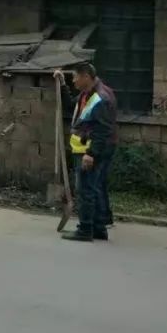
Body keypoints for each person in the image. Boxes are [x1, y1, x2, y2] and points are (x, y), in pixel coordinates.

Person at [53, 62, 117, 242]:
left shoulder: (100, 98)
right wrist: (62, 84)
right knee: (94, 189)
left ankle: (85, 230)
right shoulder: (87, 94)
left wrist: (91, 154)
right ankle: (98, 229)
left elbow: (103, 130)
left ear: (86, 77)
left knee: (86, 190)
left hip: (91, 150)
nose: (73, 81)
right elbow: (71, 106)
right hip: (89, 148)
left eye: (74, 77)